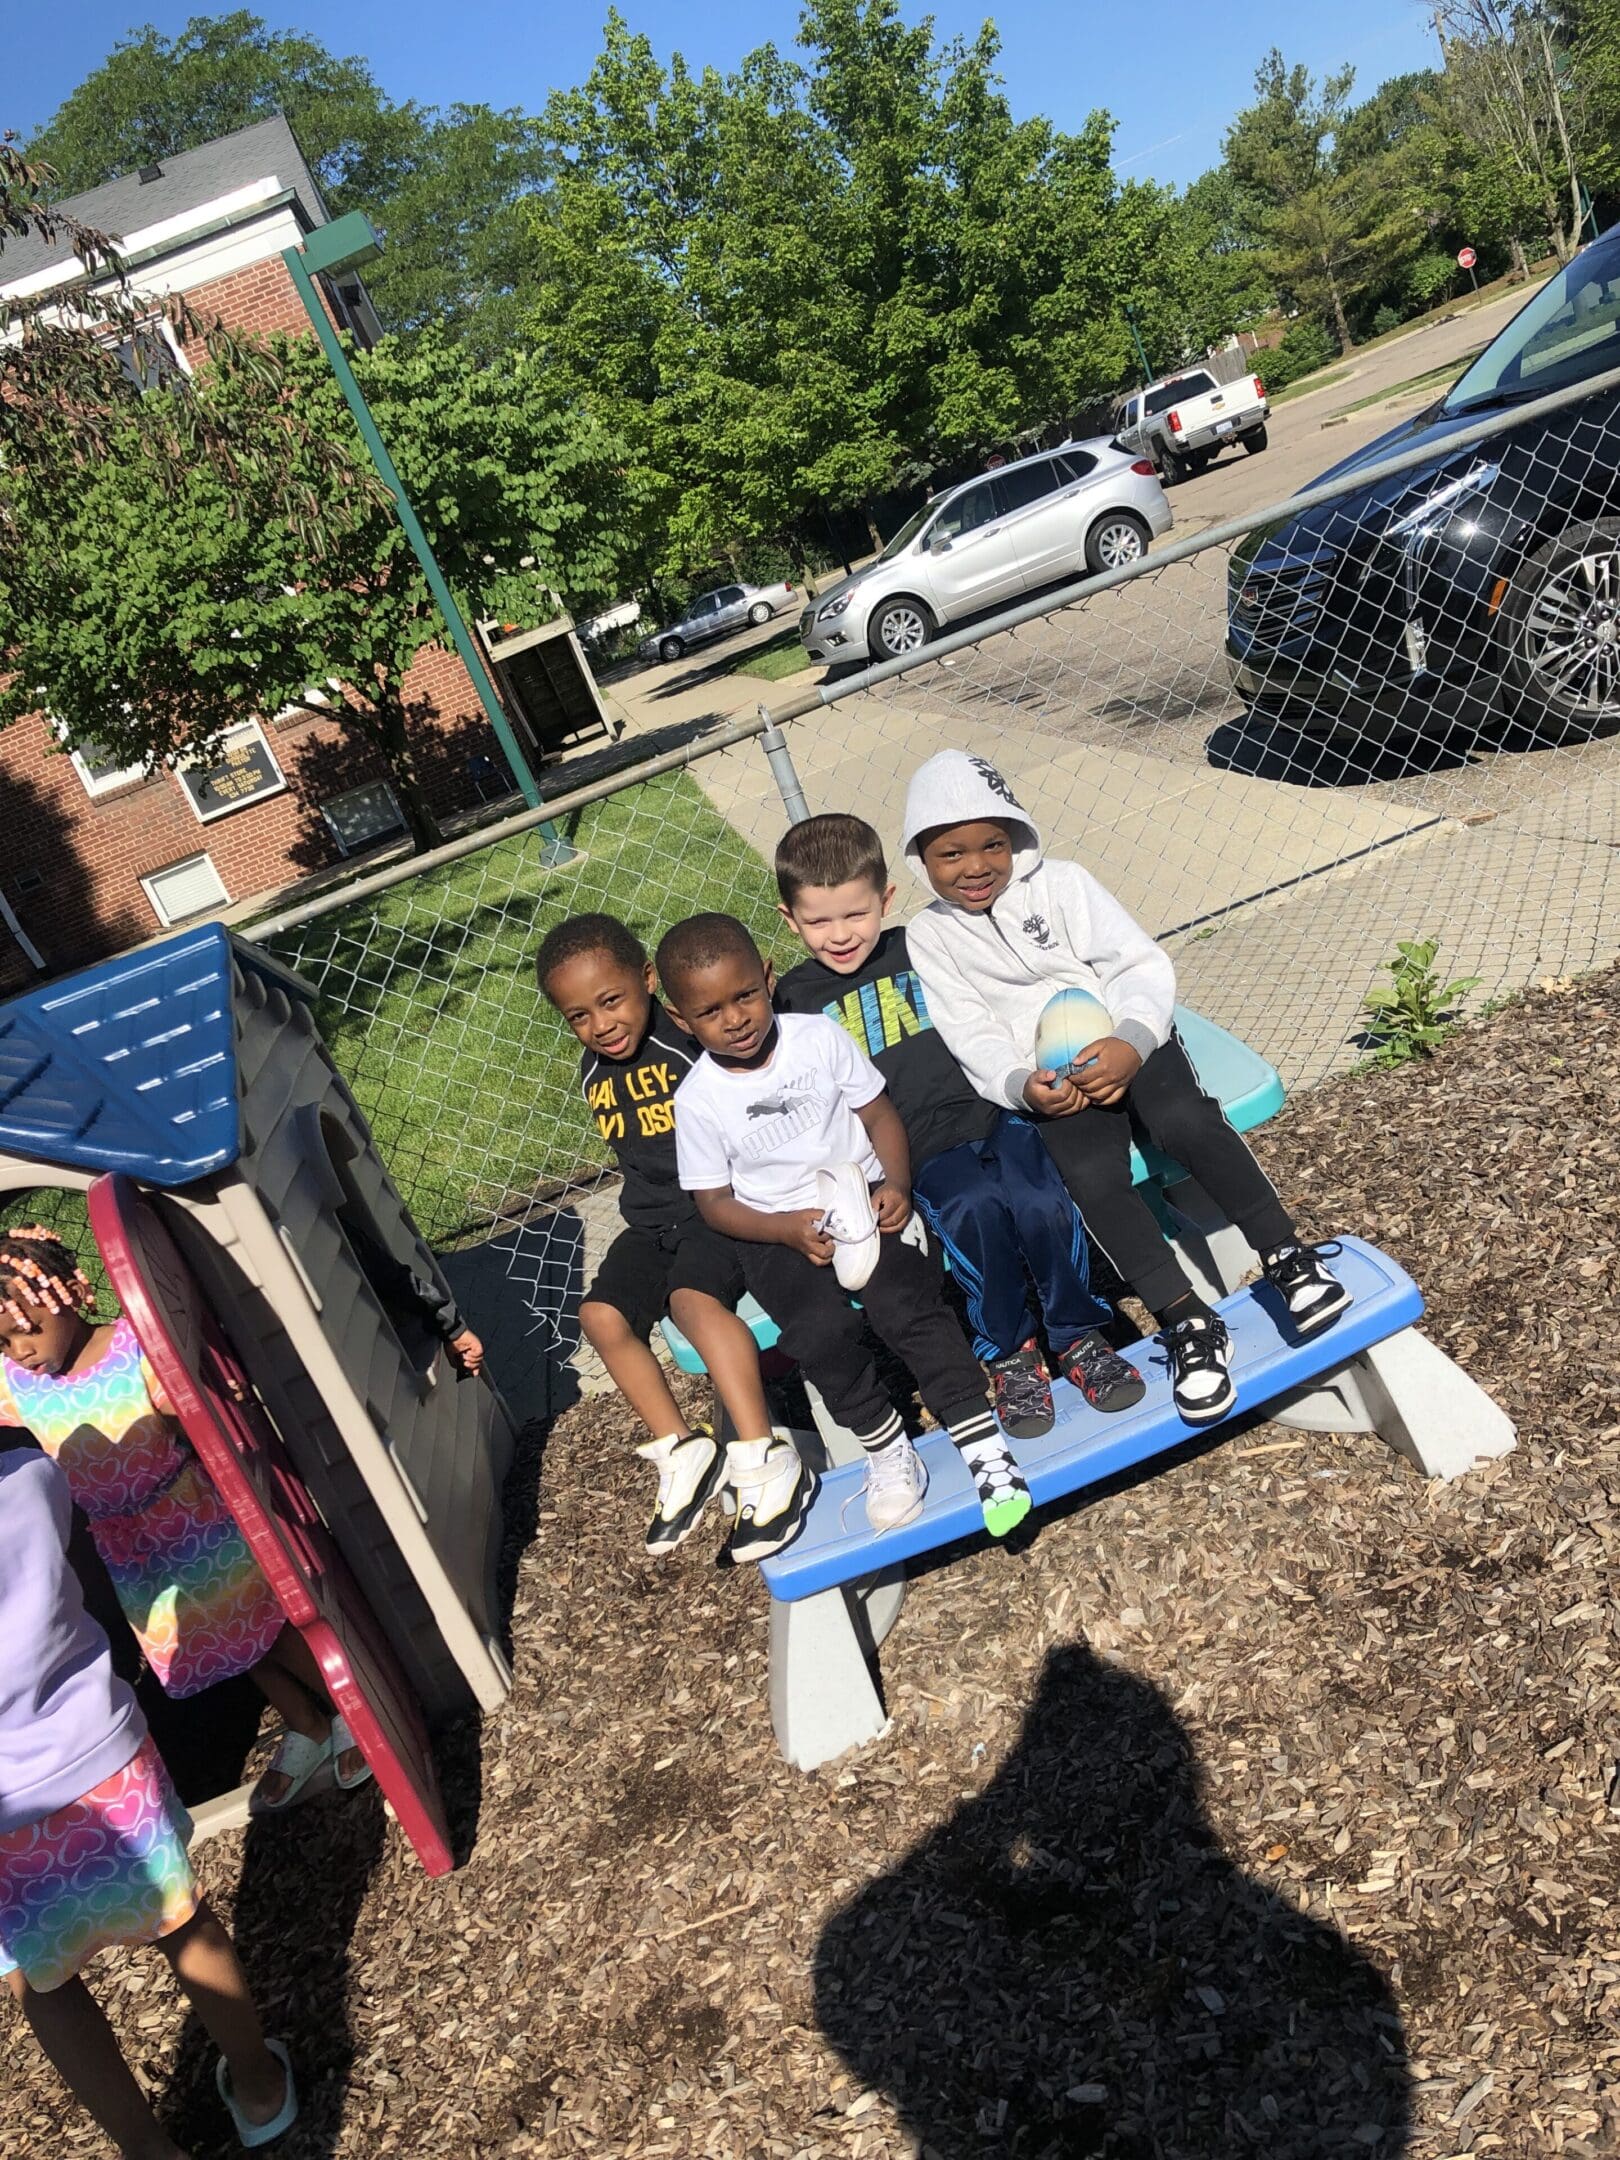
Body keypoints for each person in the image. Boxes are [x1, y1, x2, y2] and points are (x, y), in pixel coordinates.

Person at [899, 752, 1350, 1428]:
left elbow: (1138, 962)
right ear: (922, 861)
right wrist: (1025, 1086)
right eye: (950, 852)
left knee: (1183, 1120)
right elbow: (972, 1031)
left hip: (1133, 1042)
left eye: (994, 842)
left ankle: (1287, 1256)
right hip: (1059, 1082)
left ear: (1017, 836)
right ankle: (1185, 1321)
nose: (976, 865)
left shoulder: (1065, 885)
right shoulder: (932, 936)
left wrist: (1132, 1040)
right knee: (1089, 1174)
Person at [656, 911, 1030, 1538]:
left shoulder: (816, 1037)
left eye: (745, 995)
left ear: (768, 979)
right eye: (710, 1011)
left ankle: (981, 1441)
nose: (736, 1018)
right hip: (773, 1229)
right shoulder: (697, 1099)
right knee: (819, 1332)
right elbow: (715, 1203)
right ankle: (887, 1451)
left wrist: (896, 1184)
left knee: (906, 1303)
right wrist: (781, 1230)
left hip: (859, 1197)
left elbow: (880, 1115)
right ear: (680, 1019)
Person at [772, 812, 1145, 1439]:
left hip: (993, 1108)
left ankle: (1078, 1335)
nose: (840, 935)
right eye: (818, 921)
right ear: (790, 920)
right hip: (912, 1147)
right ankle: (1010, 1351)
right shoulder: (793, 1001)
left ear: (886, 899)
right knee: (972, 1210)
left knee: (1038, 1198)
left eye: (856, 915)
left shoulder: (922, 945)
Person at [0, 1227, 373, 1813]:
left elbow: (190, 1414)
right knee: (221, 1642)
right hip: (130, 1545)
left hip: (191, 1516)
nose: (19, 1351)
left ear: (68, 1294)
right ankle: (307, 1725)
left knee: (264, 1624)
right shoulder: (18, 1385)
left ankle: (355, 1710)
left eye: (25, 1331)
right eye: (2, 1343)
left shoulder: (132, 1348)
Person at [1, 1439, 298, 2160]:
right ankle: (259, 2085)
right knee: (182, 1924)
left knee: (44, 1985)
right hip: (101, 1757)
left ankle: (145, 2146)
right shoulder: (33, 1477)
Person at [537, 913, 812, 1562]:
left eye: (612, 1001)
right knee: (600, 1317)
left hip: (714, 1212)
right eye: (579, 1016)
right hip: (652, 1222)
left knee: (691, 1305)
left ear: (648, 981)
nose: (601, 1025)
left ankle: (765, 1456)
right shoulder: (592, 1072)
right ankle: (683, 1450)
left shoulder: (685, 1039)